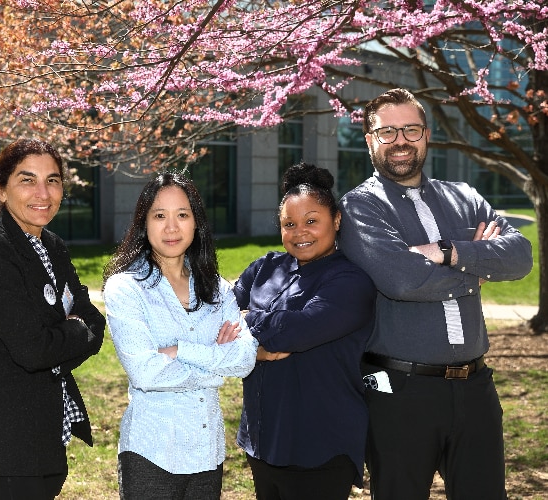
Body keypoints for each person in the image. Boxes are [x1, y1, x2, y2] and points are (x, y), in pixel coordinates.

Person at [338, 88, 533, 500]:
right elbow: (403, 281)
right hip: (399, 391)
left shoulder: (465, 197)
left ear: (426, 135)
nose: (400, 141)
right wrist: (476, 269)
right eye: (387, 132)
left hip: (476, 388)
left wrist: (448, 252)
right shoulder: (359, 208)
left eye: (410, 129)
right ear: (369, 139)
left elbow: (519, 257)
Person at [0, 139, 106, 500]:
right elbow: (34, 350)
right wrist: (76, 328)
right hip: (5, 446)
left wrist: (70, 334)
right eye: (27, 180)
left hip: (46, 435)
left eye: (52, 180)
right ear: (0, 190)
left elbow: (96, 323)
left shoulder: (52, 245)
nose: (43, 193)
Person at [102, 171, 258, 500]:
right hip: (151, 453)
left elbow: (244, 359)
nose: (171, 228)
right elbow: (145, 372)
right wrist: (215, 366)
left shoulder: (217, 288)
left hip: (207, 452)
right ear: (144, 223)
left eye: (182, 215)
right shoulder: (126, 289)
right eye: (160, 216)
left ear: (196, 222)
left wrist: (179, 350)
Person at [233, 162, 376, 500]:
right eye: (289, 224)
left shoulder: (351, 281)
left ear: (336, 220)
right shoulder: (264, 268)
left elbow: (294, 332)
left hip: (320, 445)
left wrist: (245, 319)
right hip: (262, 438)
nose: (300, 233)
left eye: (312, 221)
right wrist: (256, 347)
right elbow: (212, 321)